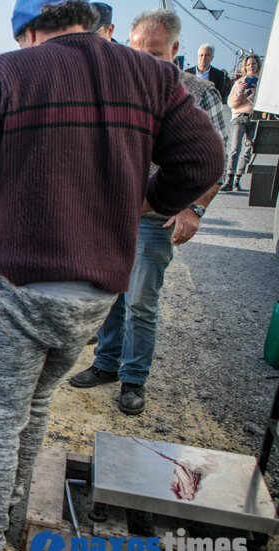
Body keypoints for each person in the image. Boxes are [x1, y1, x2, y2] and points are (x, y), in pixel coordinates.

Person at [0, 1, 223, 551]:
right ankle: (7, 520)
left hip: (22, 285)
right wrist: (143, 199)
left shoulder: (8, 71)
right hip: (97, 292)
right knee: (38, 405)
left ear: (28, 30)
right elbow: (206, 158)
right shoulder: (151, 74)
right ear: (91, 20)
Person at [69, 10, 227, 415]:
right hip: (113, 216)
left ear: (175, 50)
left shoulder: (198, 92)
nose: (142, 61)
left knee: (141, 301)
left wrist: (194, 208)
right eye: (136, 51)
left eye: (154, 53)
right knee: (108, 297)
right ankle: (105, 364)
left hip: (156, 218)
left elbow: (216, 159)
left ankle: (133, 379)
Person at [221, 53, 262, 192]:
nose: (251, 66)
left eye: (254, 64)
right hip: (239, 117)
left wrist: (254, 92)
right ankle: (229, 179)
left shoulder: (262, 83)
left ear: (258, 65)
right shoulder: (240, 82)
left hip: (255, 118)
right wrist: (240, 91)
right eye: (249, 64)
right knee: (234, 149)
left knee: (248, 150)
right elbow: (232, 103)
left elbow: (261, 103)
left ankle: (238, 179)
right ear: (245, 66)